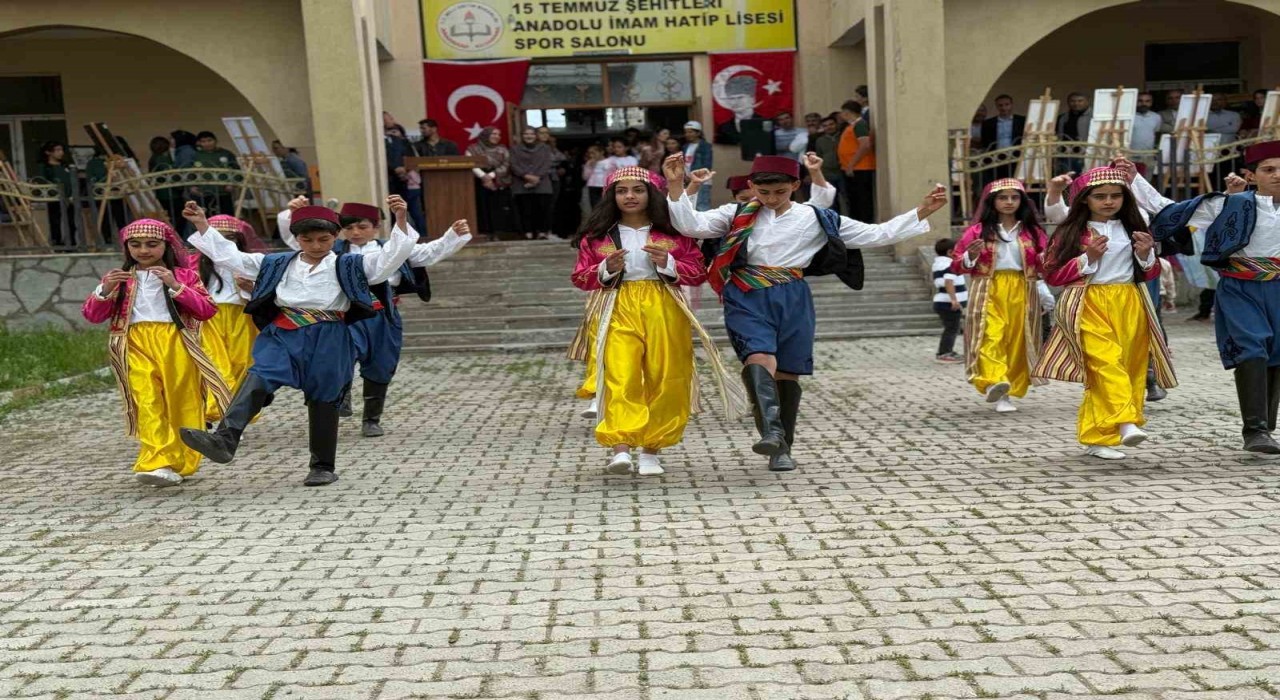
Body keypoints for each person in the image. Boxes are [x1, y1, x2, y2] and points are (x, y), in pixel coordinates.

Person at [663, 152, 947, 472]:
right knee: (759, 356)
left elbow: (876, 234)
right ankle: (771, 432)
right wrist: (676, 185)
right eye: (763, 191)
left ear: (796, 186)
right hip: (746, 293)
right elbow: (691, 225)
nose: (771, 198)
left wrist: (923, 210)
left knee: (787, 370)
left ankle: (781, 448)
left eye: (780, 191)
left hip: (793, 295)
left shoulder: (815, 217)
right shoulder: (734, 213)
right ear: (751, 186)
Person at [179, 197, 417, 486]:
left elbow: (389, 258)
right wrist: (202, 224)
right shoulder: (276, 263)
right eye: (307, 239)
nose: (316, 245)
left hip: (329, 336)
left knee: (324, 395)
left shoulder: (351, 264)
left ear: (336, 236)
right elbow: (233, 257)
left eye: (324, 239)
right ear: (297, 238)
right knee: (260, 375)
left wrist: (400, 219)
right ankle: (225, 439)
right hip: (284, 331)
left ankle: (322, 466)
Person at [569, 165, 733, 475]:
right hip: (617, 305)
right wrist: (606, 269)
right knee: (620, 374)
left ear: (651, 194)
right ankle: (620, 447)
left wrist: (668, 262)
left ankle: (651, 451)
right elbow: (580, 277)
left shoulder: (674, 232)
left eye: (637, 190)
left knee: (667, 376)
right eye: (621, 191)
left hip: (664, 305)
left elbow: (697, 272)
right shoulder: (597, 236)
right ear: (611, 196)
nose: (629, 196)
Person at [278, 197, 471, 436]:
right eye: (349, 228)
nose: (355, 232)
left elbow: (429, 253)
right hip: (347, 315)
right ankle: (340, 395)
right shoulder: (331, 251)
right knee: (340, 353)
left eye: (362, 227)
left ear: (376, 227)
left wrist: (452, 236)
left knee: (381, 364)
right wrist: (295, 214)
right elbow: (297, 242)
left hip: (383, 316)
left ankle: (371, 419)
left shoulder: (391, 249)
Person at [1140, 141, 1280, 453]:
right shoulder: (1229, 205)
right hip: (1241, 287)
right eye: (1269, 169)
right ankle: (1255, 430)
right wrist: (1132, 178)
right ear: (1251, 175)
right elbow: (1168, 209)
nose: (1277, 175)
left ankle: (1266, 426)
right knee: (1252, 347)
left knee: (1276, 352)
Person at [1032, 167, 1173, 460]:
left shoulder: (1134, 229)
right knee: (1105, 363)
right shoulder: (1072, 232)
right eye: (1100, 196)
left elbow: (1150, 272)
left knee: (1130, 366)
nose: (1108, 201)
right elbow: (1052, 274)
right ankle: (1126, 421)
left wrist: (1146, 254)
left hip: (1130, 302)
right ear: (1085, 199)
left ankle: (1097, 437)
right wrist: (1087, 258)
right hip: (1087, 302)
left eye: (1115, 195)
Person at [81, 218, 230, 487]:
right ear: (127, 247)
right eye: (135, 245)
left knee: (181, 402)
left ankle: (182, 461)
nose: (143, 250)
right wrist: (105, 290)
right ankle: (157, 461)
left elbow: (207, 310)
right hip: (133, 343)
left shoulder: (184, 275)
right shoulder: (118, 279)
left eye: (152, 244)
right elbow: (92, 315)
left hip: (176, 342)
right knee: (146, 400)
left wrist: (175, 286)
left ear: (166, 245)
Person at [950, 179, 1049, 412]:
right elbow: (956, 264)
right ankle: (994, 379)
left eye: (1014, 197)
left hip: (1023, 287)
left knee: (1016, 340)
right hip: (987, 287)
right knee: (989, 334)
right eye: (1003, 197)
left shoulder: (1032, 232)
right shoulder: (977, 231)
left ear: (1022, 201)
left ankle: (1006, 394)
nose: (1009, 202)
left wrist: (1044, 288)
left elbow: (1047, 262)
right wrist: (970, 256)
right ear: (992, 201)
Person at [196, 215, 265, 423]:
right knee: (216, 363)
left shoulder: (249, 262)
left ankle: (237, 415)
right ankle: (220, 412)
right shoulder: (195, 265)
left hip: (242, 317)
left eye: (229, 238)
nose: (222, 243)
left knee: (242, 364)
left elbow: (268, 292)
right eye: (217, 237)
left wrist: (250, 288)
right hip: (210, 318)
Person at [467, 127, 516, 241]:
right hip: (479, 182)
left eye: (499, 134)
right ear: (485, 135)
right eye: (493, 134)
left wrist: (491, 176)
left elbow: (506, 165)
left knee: (498, 209)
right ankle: (484, 233)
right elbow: (470, 163)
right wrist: (483, 177)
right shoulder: (473, 149)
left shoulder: (503, 149)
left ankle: (498, 234)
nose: (497, 136)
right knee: (482, 208)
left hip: (499, 182)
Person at [510, 127, 555, 240]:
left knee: (543, 209)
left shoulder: (545, 148)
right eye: (526, 134)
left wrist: (537, 177)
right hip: (521, 183)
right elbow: (513, 165)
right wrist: (525, 176)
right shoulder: (515, 149)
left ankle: (542, 232)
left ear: (536, 136)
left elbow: (547, 164)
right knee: (525, 209)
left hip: (542, 183)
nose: (529, 136)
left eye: (532, 134)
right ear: (522, 136)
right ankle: (528, 232)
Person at [839, 99, 876, 222]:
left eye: (843, 112)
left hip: (860, 168)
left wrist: (851, 164)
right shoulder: (852, 126)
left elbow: (865, 145)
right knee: (854, 200)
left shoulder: (859, 125)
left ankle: (864, 223)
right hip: (854, 168)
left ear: (848, 112)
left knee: (862, 201)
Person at [932, 238, 966, 364]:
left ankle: (946, 351)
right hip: (947, 303)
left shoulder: (939, 263)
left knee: (951, 328)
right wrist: (954, 300)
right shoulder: (950, 264)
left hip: (943, 302)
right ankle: (944, 353)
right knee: (952, 328)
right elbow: (948, 282)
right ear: (950, 252)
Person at [37, 141, 77, 248]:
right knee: (55, 222)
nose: (61, 153)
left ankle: (71, 243)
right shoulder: (45, 166)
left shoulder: (65, 165)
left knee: (71, 222)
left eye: (61, 150)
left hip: (70, 197)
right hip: (55, 198)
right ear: (48, 152)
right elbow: (42, 181)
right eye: (57, 150)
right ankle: (57, 244)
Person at [191, 131, 241, 216]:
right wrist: (192, 186)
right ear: (199, 143)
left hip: (224, 191)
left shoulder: (226, 153)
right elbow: (190, 172)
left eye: (209, 140)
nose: (207, 143)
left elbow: (236, 170)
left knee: (226, 215)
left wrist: (232, 183)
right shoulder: (196, 155)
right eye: (203, 141)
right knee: (207, 217)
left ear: (215, 140)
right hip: (204, 192)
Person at [1055, 93, 1092, 175]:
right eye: (1073, 101)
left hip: (1086, 154)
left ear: (1087, 101)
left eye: (1080, 101)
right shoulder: (1063, 117)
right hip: (1066, 154)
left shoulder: (1093, 117)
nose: (1076, 103)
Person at [814, 116, 844, 213]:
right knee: (831, 199)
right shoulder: (820, 140)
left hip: (843, 171)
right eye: (825, 125)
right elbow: (819, 156)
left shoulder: (843, 136)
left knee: (846, 197)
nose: (829, 127)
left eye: (831, 124)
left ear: (836, 124)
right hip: (827, 173)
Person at [682, 122, 713, 211]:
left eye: (690, 132)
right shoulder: (685, 146)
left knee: (702, 206)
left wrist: (695, 176)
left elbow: (707, 165)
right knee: (690, 206)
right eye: (686, 132)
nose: (687, 134)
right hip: (688, 180)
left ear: (698, 133)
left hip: (701, 180)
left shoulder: (705, 146)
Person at [1131, 92, 1163, 174]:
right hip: (1130, 155)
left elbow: (1156, 133)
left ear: (1151, 103)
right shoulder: (1129, 116)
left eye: (1147, 101)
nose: (1143, 104)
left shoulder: (1156, 117)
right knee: (1130, 180)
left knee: (1147, 180)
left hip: (1148, 156)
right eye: (1140, 101)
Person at [583, 144, 608, 209]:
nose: (591, 155)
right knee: (595, 207)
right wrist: (589, 166)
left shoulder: (609, 162)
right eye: (590, 153)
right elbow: (585, 177)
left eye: (593, 153)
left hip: (605, 187)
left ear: (602, 152)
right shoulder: (589, 163)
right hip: (593, 187)